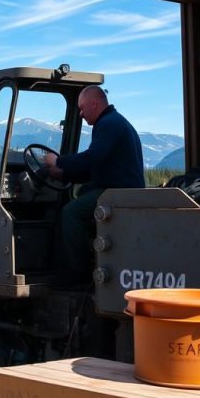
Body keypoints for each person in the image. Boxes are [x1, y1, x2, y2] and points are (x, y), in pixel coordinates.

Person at [43, 85, 145, 279]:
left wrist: (57, 161)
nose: (80, 114)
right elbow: (96, 170)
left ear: (95, 103)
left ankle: (74, 275)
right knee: (84, 193)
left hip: (118, 193)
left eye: (82, 108)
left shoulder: (108, 124)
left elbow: (92, 158)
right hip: (118, 189)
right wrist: (62, 174)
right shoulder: (114, 122)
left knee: (70, 213)